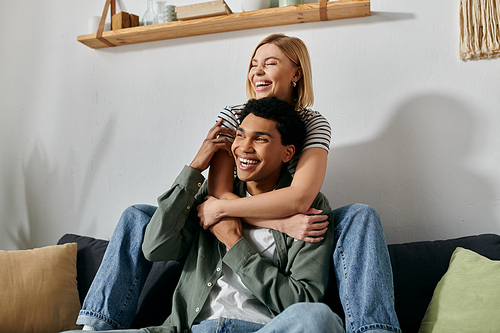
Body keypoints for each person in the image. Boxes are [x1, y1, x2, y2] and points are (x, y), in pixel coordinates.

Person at [75, 33, 401, 333]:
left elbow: (299, 198)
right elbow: (218, 196)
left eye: (270, 63)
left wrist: (247, 231)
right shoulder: (233, 113)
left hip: (283, 226)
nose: (257, 72)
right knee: (138, 215)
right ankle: (95, 326)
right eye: (253, 64)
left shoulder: (312, 122)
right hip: (228, 229)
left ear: (296, 73)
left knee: (358, 217)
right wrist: (198, 175)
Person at [66, 97, 344, 333]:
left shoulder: (311, 211)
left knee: (319, 318)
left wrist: (237, 246)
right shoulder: (211, 197)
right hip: (190, 328)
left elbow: (302, 300)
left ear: (288, 153)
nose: (244, 147)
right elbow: (155, 247)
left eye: (260, 139)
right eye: (240, 135)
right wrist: (195, 168)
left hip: (260, 328)